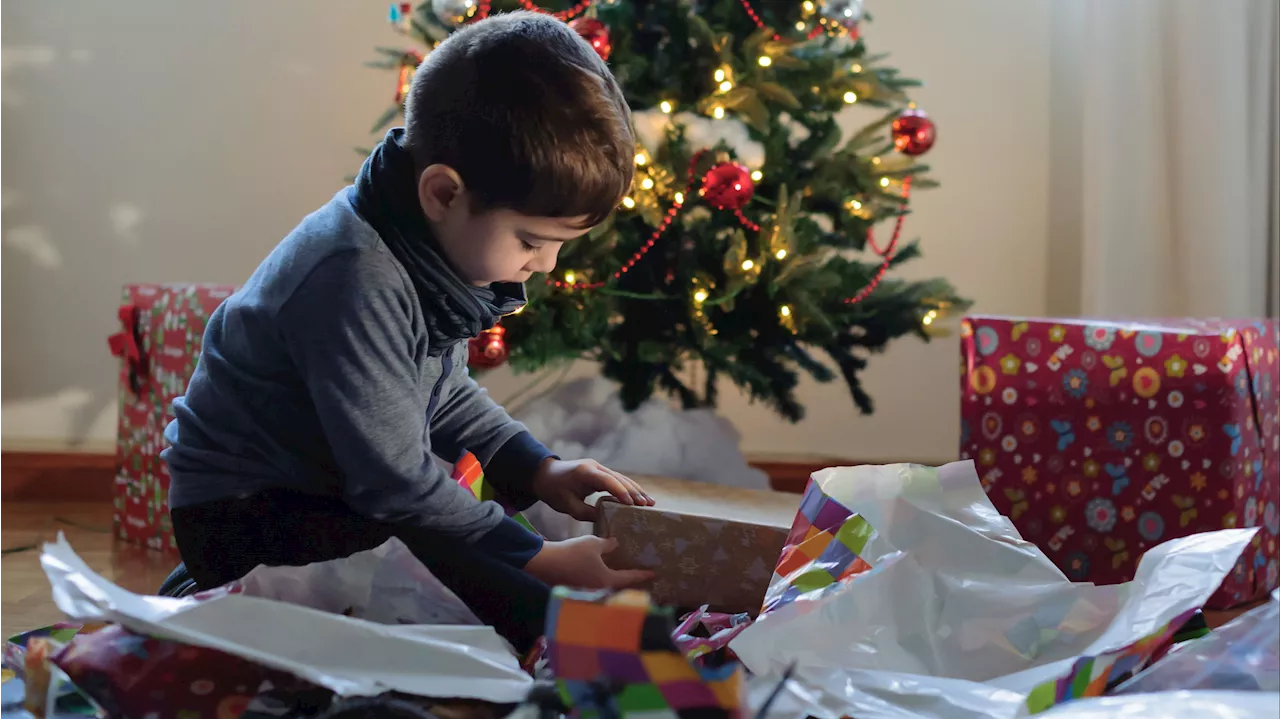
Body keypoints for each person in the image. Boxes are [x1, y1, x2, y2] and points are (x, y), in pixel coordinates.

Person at [159, 11, 653, 653]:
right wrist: (537, 561)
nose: (546, 265)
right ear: (444, 194)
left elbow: (440, 391)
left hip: (324, 487)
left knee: (469, 516)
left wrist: (540, 470)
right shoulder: (355, 278)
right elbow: (394, 482)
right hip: (247, 514)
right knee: (445, 531)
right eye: (532, 241)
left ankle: (552, 626)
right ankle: (565, 641)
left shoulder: (419, 247)